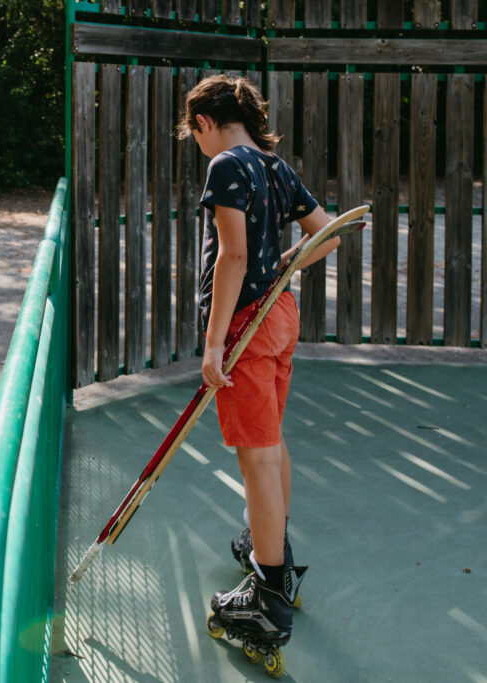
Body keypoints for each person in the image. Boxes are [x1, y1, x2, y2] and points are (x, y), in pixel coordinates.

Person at [177, 75, 337, 654]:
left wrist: (215, 341)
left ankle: (267, 599)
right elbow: (328, 233)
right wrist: (290, 263)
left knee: (256, 458)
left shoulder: (226, 166)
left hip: (247, 324)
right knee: (271, 443)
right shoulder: (273, 164)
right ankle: (278, 556)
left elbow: (234, 253)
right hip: (281, 315)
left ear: (204, 121)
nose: (197, 143)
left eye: (193, 133)